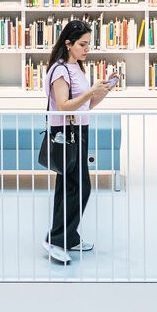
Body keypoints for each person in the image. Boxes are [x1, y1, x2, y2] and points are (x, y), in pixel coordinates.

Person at [41, 20, 117, 265]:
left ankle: (67, 236)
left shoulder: (77, 69)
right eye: (82, 44)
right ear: (68, 43)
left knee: (70, 187)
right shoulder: (60, 70)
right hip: (66, 133)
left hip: (79, 130)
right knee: (77, 187)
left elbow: (85, 105)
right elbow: (63, 105)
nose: (87, 49)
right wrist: (89, 92)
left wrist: (102, 92)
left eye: (88, 44)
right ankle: (57, 239)